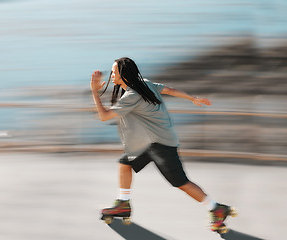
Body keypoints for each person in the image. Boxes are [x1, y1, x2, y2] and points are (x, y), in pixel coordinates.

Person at [90, 57, 236, 233]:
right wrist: (192, 98)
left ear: (123, 74)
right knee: (125, 163)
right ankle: (123, 203)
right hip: (150, 143)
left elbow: (104, 116)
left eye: (114, 71)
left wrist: (95, 92)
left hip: (160, 145)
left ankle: (216, 209)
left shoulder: (132, 95)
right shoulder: (144, 84)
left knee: (181, 182)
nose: (112, 74)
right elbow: (170, 90)